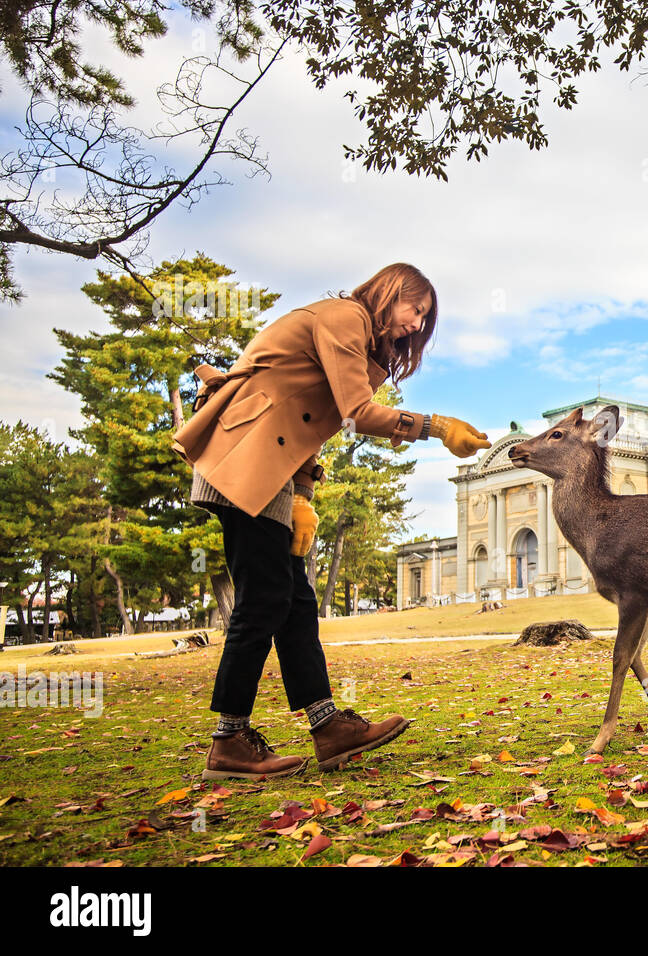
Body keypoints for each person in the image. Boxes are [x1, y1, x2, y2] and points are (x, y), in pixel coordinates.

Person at [171, 263, 490, 779]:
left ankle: (328, 727)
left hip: (267, 470)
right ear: (391, 293)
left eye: (425, 319)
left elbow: (304, 421)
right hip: (242, 463)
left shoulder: (353, 334)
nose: (416, 324)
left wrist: (302, 496)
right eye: (416, 310)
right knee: (264, 601)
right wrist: (434, 426)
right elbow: (356, 412)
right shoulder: (345, 316)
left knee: (294, 601)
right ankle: (228, 741)